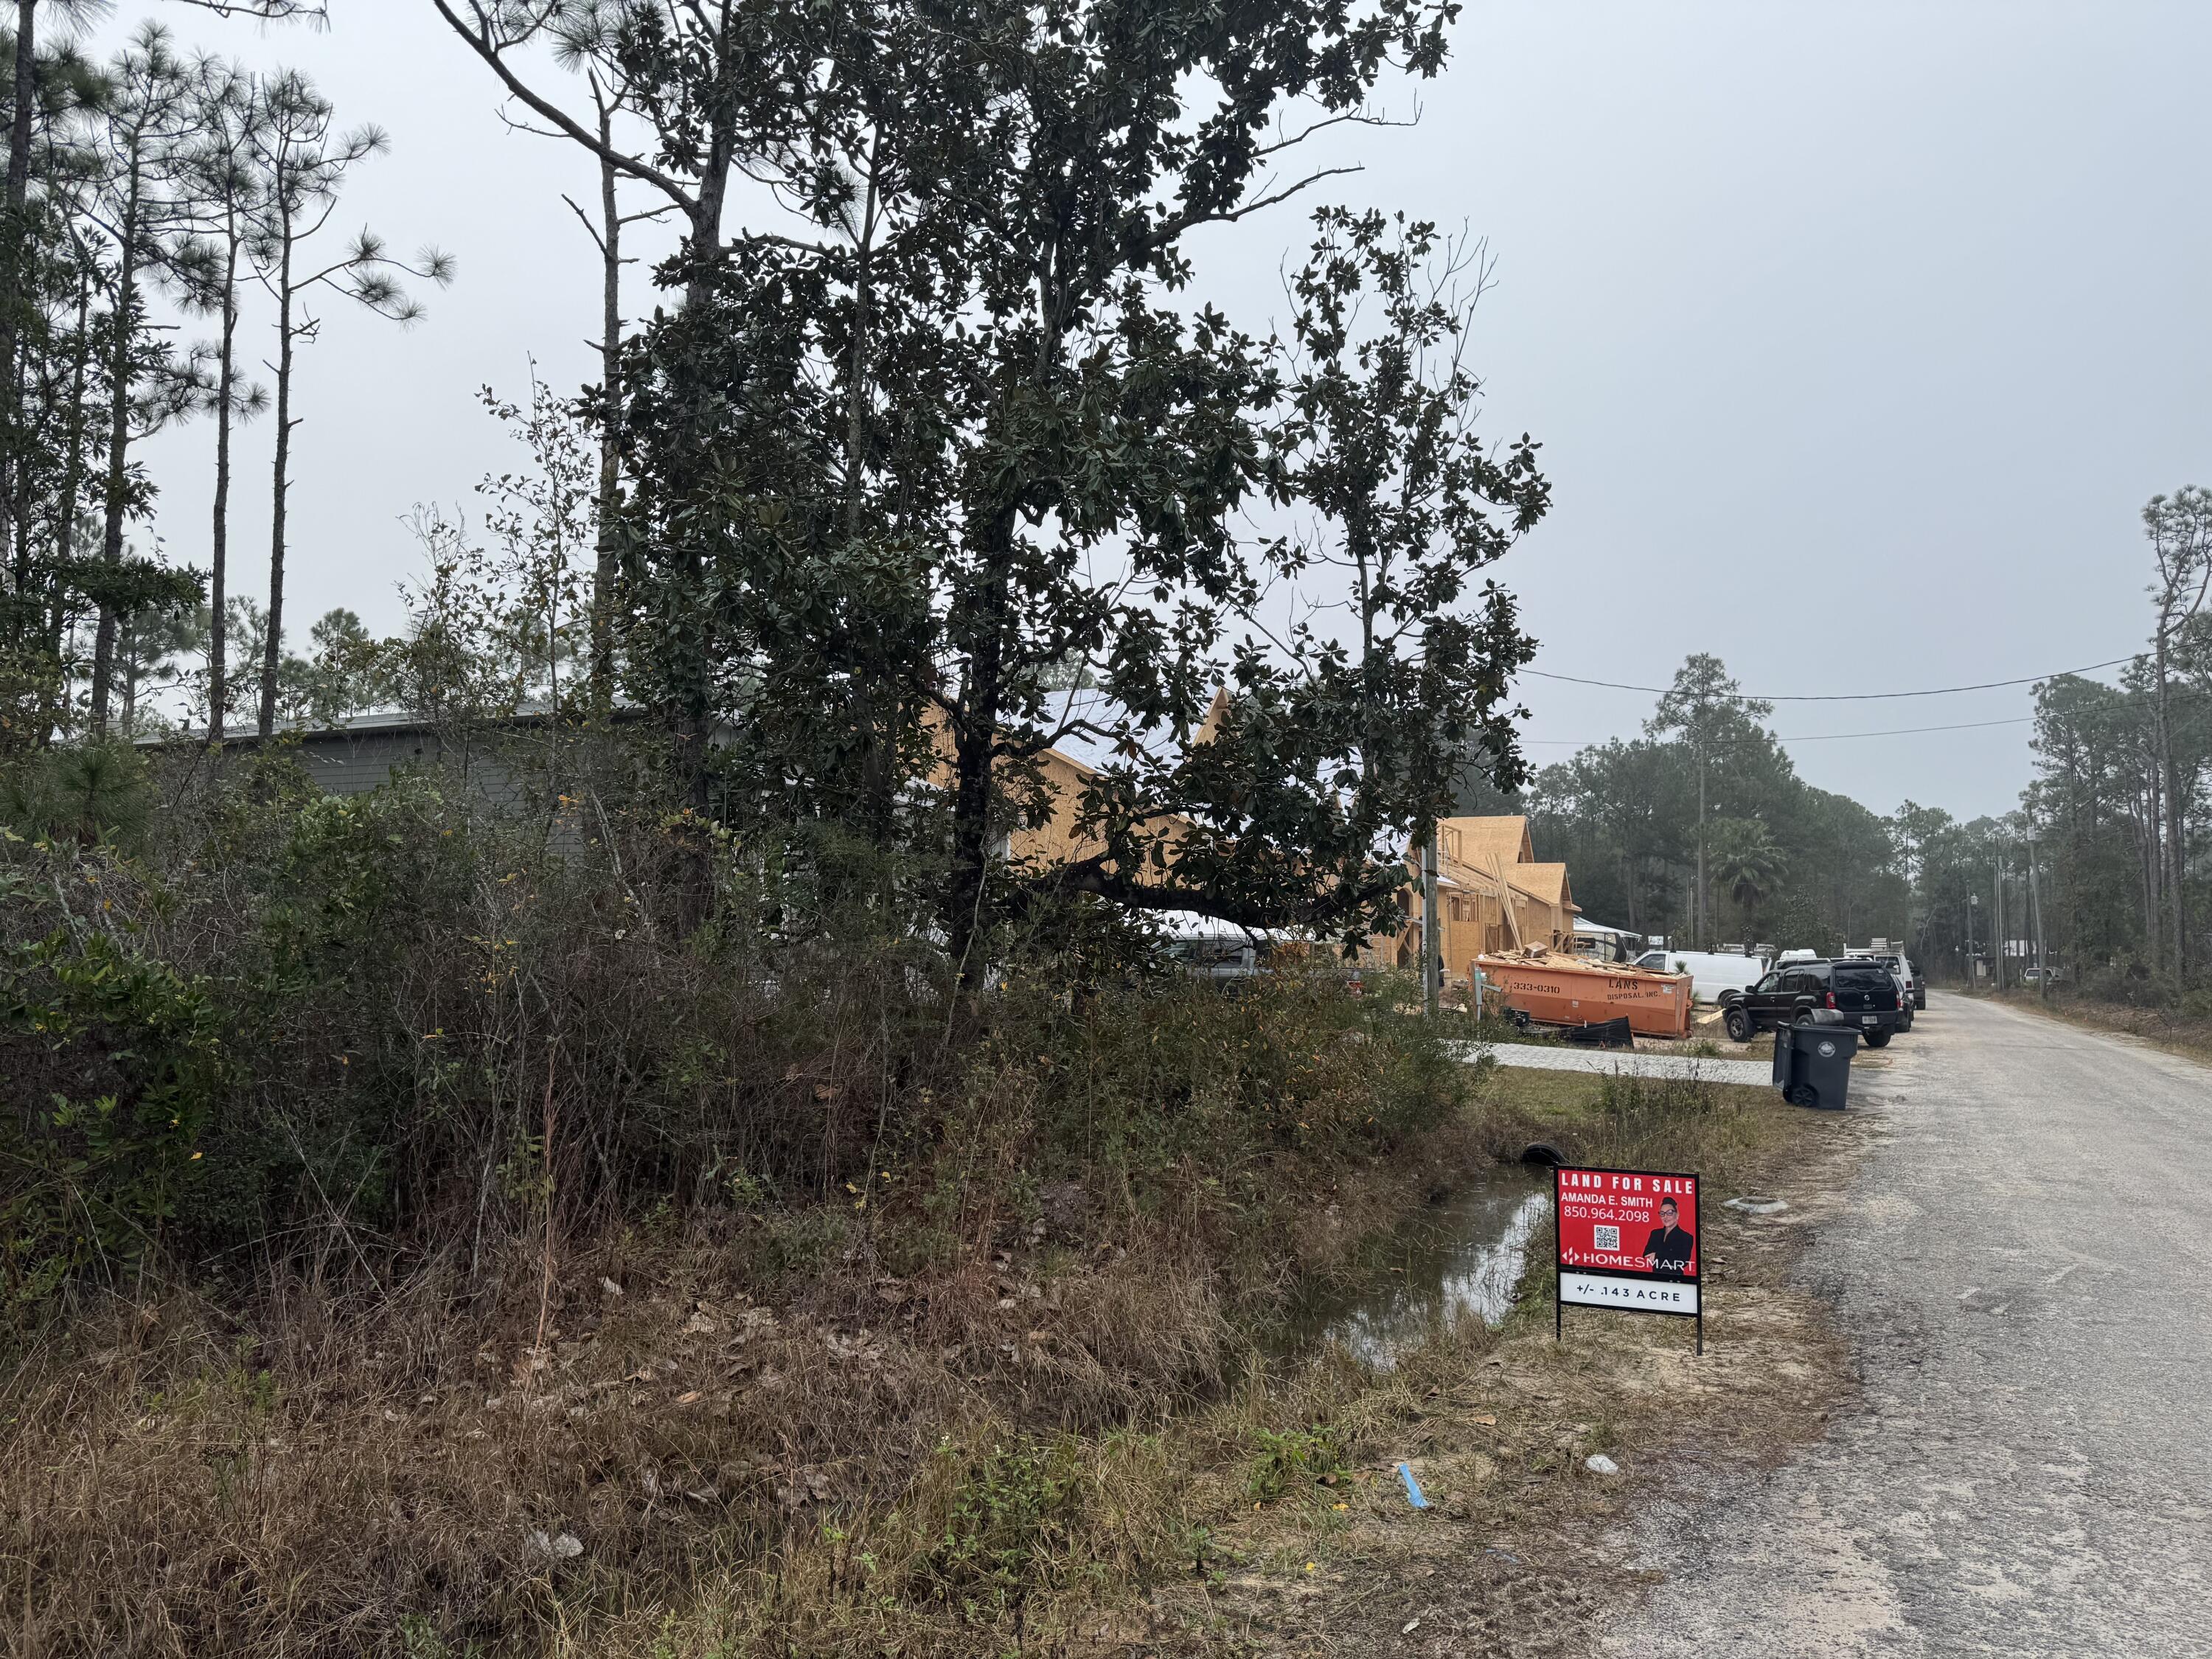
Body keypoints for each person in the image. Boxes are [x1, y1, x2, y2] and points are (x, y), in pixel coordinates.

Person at [1642, 1197, 1695, 1279]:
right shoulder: (1655, 1234)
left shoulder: (1686, 1237)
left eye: (1669, 1213)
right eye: (1662, 1213)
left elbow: (1683, 1261)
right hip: (1655, 1278)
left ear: (1677, 1214)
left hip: (1676, 1279)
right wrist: (1670, 1253)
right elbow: (1646, 1254)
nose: (1666, 1217)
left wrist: (1657, 1255)